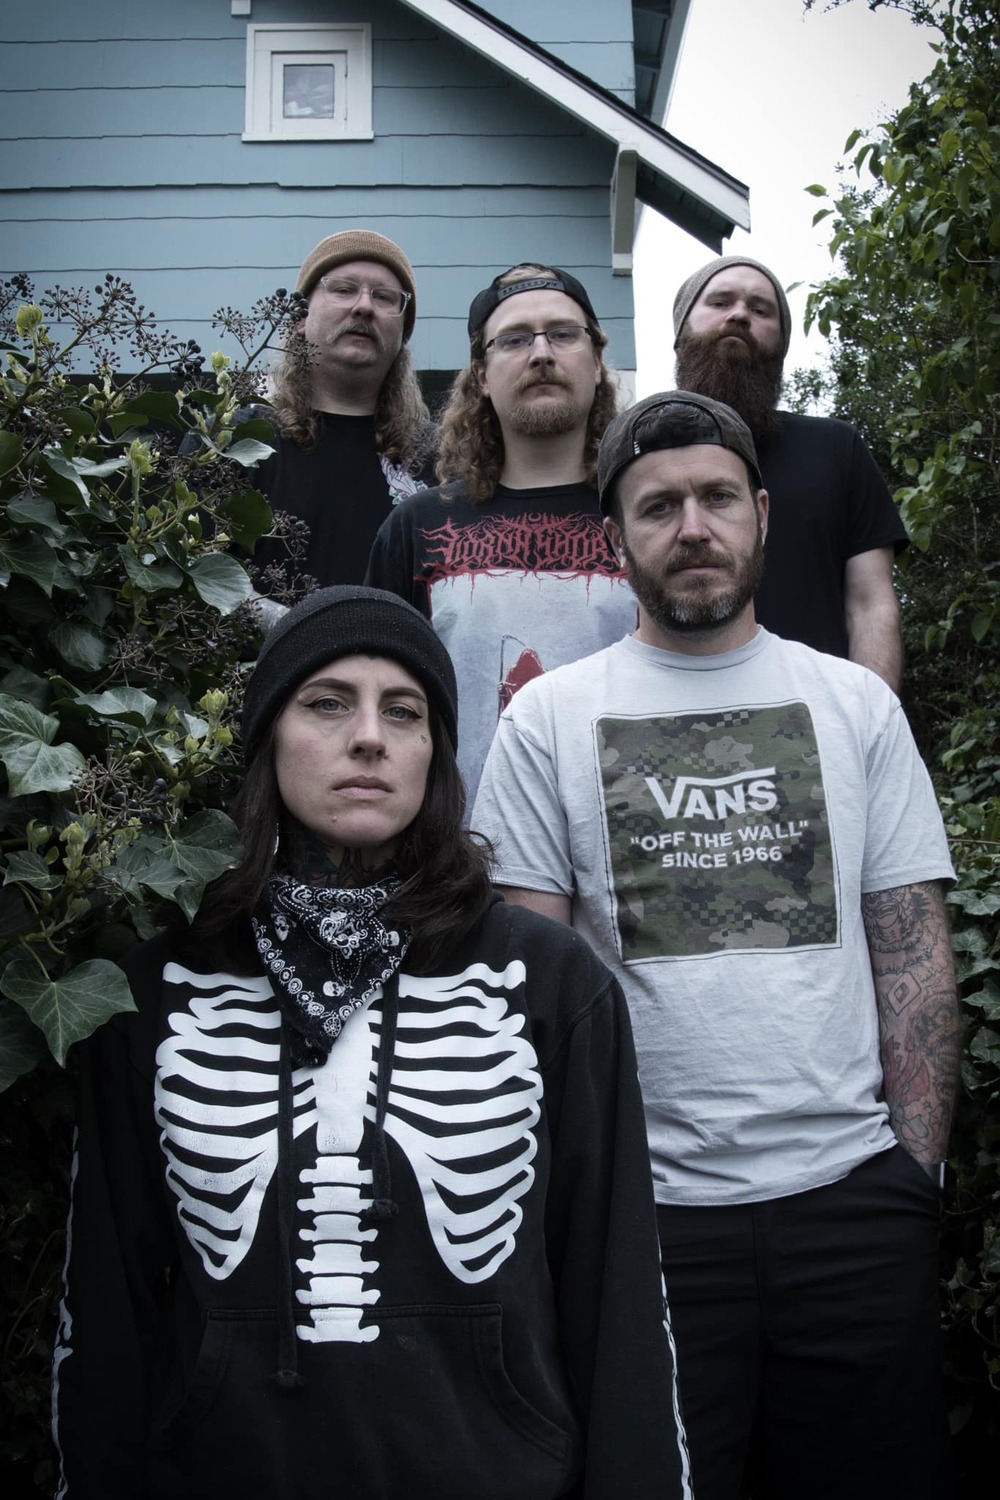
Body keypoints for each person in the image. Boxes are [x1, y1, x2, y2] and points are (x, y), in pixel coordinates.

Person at [52, 585, 693, 1500]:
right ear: (267, 739)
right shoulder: (154, 990)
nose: (368, 738)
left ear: (435, 752)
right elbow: (105, 1307)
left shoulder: (550, 981)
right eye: (327, 704)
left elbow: (619, 1290)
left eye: (404, 711)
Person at [472, 392, 960, 1500]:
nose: (692, 528)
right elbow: (527, 996)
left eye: (716, 499)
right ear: (615, 539)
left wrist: (911, 1179)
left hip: (853, 1206)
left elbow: (911, 949)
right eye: (658, 508)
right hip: (643, 1227)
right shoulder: (548, 720)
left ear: (761, 516)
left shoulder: (852, 704)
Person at [366, 263, 635, 806]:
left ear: (597, 362)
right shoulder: (419, 527)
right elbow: (375, 700)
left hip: (623, 835)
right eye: (514, 339)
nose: (541, 353)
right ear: (482, 376)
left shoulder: (648, 518)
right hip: (460, 844)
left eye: (563, 334)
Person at [672, 255, 907, 689]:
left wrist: (875, 715)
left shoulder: (835, 448)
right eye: (720, 302)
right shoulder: (640, 459)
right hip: (672, 713)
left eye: (760, 309)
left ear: (780, 346)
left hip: (819, 715)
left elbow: (870, 604)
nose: (739, 315)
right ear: (681, 331)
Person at [250, 231, 436, 600]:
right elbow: (199, 578)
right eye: (343, 289)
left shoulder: (441, 457)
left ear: (403, 333)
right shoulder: (239, 442)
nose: (364, 307)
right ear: (300, 317)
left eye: (384, 297)